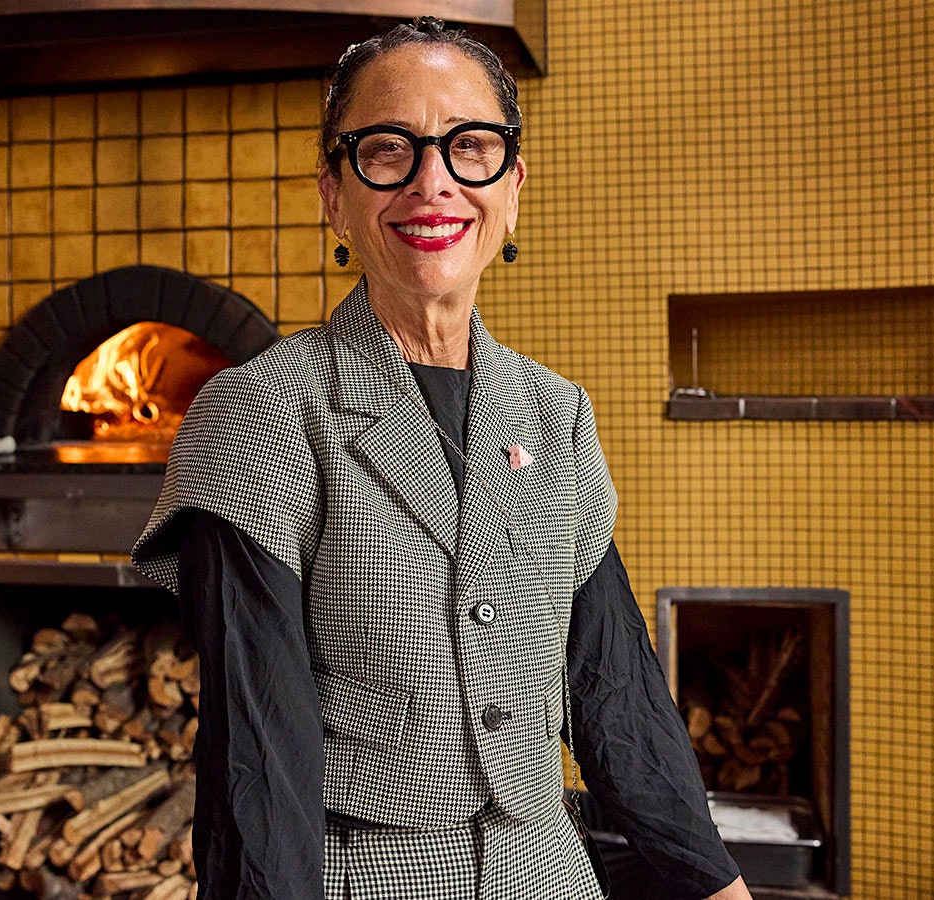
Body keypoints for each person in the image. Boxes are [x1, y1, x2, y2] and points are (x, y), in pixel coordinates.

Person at [132, 17, 751, 900]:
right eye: (388, 151)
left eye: (470, 147)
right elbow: (256, 763)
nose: (434, 184)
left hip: (550, 879)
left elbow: (614, 690)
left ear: (512, 187)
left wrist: (718, 887)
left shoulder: (555, 411)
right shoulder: (260, 413)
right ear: (335, 196)